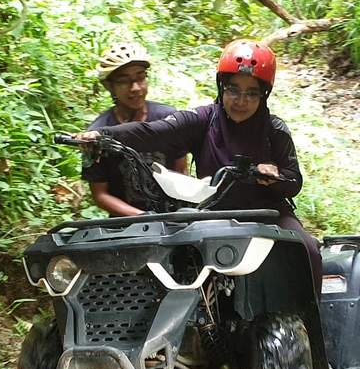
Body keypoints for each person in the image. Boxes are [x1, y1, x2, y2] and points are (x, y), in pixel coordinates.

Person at [74, 39, 322, 291]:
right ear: (221, 87)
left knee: (307, 249)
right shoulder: (204, 119)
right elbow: (154, 131)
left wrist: (275, 178)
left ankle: (314, 324)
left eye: (251, 93)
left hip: (269, 215)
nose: (241, 100)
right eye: (233, 90)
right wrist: (103, 135)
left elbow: (294, 182)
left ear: (263, 94)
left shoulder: (274, 129)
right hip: (213, 214)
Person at [84, 43, 188, 217]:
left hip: (172, 218)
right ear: (109, 86)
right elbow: (100, 193)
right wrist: (141, 217)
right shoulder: (97, 133)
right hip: (125, 226)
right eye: (124, 81)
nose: (135, 88)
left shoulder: (168, 118)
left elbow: (181, 171)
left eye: (140, 78)